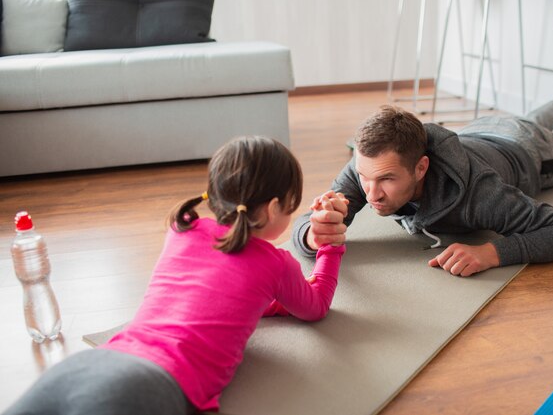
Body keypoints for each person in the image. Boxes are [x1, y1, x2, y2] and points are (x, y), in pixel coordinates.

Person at [4, 136, 346, 415]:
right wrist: (331, 245)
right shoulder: (276, 263)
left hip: (91, 363)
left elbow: (222, 294)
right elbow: (315, 306)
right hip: (148, 383)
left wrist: (264, 305)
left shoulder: (182, 228)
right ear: (274, 208)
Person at [292, 90, 553, 277]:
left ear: (421, 167)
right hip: (478, 130)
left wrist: (494, 252)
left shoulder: (480, 194)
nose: (371, 193)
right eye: (364, 178)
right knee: (528, 117)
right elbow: (308, 224)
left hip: (526, 149)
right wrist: (313, 232)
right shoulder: (369, 164)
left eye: (387, 180)